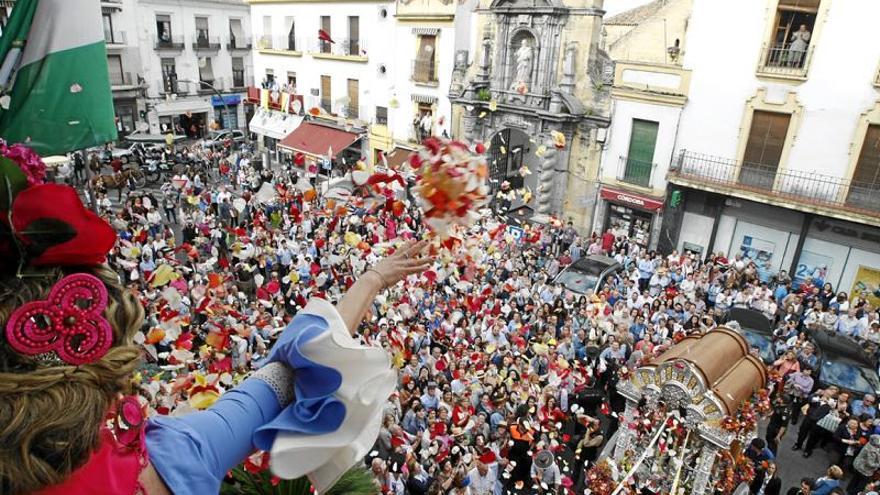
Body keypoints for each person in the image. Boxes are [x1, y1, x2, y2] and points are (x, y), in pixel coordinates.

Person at [0, 144, 434, 495]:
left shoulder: (175, 450)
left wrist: (374, 278)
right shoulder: (173, 456)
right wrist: (373, 279)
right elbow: (300, 366)